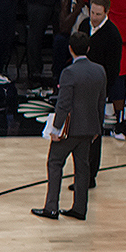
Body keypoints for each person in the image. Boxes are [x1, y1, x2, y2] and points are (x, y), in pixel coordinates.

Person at [35, 33, 105, 221]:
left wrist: (55, 128)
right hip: (89, 128)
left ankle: (51, 207)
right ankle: (80, 209)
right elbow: (101, 103)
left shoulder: (69, 72)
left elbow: (64, 104)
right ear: (88, 48)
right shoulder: (100, 71)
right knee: (83, 168)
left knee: (55, 163)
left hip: (70, 129)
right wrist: (98, 128)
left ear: (70, 48)